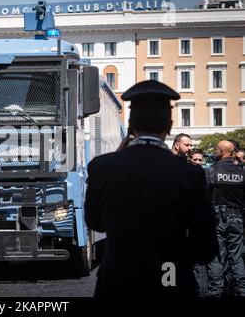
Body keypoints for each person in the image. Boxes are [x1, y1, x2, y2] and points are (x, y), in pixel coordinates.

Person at [84, 80, 218, 298]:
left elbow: (95, 222)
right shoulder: (190, 174)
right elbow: (205, 247)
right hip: (170, 275)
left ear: (131, 124)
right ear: (170, 125)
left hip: (118, 277)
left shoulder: (101, 167)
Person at [206, 140, 245, 297]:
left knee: (216, 257)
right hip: (237, 217)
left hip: (217, 218)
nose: (215, 151)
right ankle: (241, 290)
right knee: (237, 257)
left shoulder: (211, 171)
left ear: (222, 152)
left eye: (216, 149)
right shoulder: (242, 171)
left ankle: (216, 291)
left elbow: (203, 196)